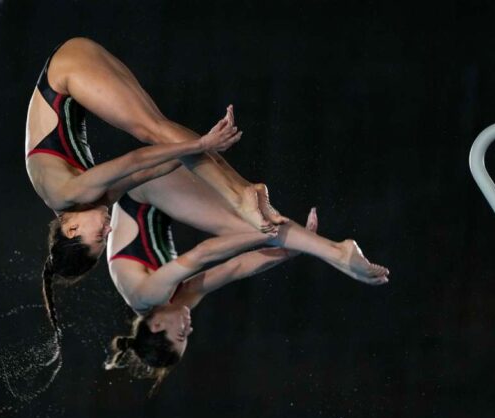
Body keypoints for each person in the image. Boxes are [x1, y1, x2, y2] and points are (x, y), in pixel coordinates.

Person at [26, 38, 287, 337]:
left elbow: (135, 159)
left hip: (64, 72)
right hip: (73, 66)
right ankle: (245, 191)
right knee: (161, 131)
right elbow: (151, 170)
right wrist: (195, 152)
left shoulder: (67, 194)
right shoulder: (90, 202)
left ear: (71, 230)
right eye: (105, 238)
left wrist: (200, 145)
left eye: (98, 235)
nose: (108, 231)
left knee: (150, 129)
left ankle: (242, 195)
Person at [102, 168, 389, 392]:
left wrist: (264, 235)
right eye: (187, 337)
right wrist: (288, 251)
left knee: (248, 225)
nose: (188, 328)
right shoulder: (175, 303)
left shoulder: (145, 296)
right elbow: (236, 268)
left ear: (156, 325)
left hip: (143, 189)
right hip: (162, 194)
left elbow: (205, 252)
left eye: (180, 334)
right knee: (253, 216)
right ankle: (328, 249)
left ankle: (337, 252)